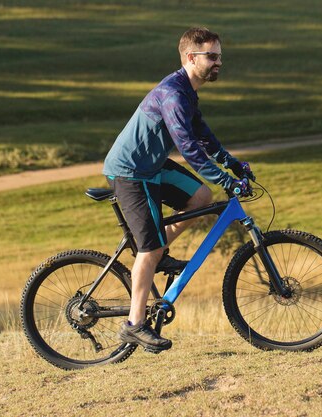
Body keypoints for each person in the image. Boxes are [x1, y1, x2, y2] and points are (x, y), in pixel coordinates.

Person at [102, 27, 255, 353]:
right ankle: (134, 325)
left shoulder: (187, 91)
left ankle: (157, 256)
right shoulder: (173, 95)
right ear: (190, 58)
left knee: (201, 197)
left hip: (151, 166)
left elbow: (203, 135)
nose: (218, 63)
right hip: (130, 172)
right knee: (149, 247)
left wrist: (233, 163)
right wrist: (227, 180)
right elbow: (189, 148)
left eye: (220, 56)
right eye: (212, 56)